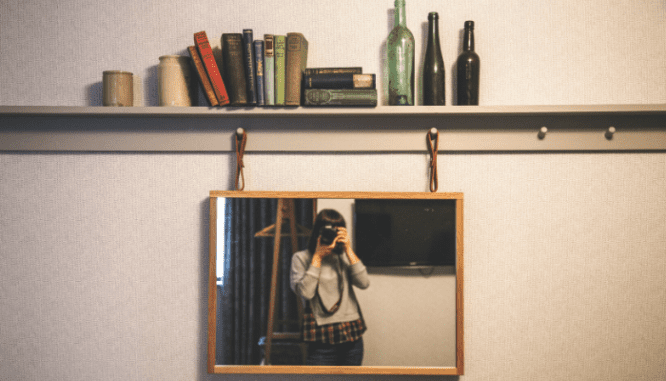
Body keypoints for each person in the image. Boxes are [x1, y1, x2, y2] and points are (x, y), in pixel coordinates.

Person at [290, 209, 370, 366]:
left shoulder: (344, 257)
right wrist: (317, 258)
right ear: (317, 231)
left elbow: (364, 283)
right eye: (326, 229)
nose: (330, 233)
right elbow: (306, 293)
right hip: (321, 337)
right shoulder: (301, 258)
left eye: (336, 230)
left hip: (351, 332)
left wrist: (348, 250)